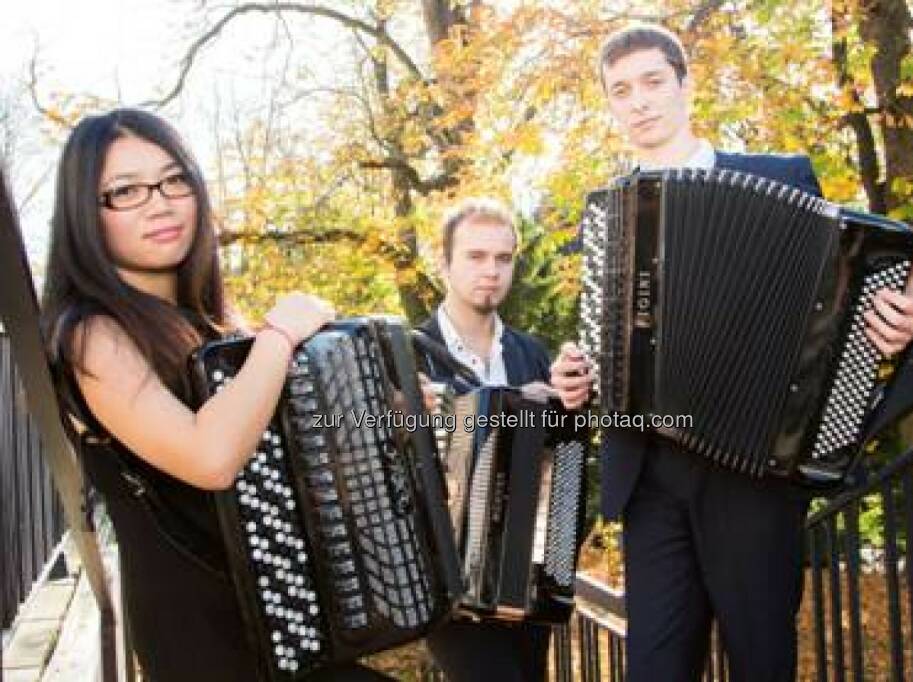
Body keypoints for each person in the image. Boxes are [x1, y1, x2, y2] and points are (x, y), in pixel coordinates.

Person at [549, 25, 913, 681]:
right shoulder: (608, 214)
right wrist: (576, 376)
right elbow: (606, 349)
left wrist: (906, 326)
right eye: (620, 91)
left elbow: (839, 305)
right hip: (650, 477)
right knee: (654, 669)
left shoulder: (780, 177)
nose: (637, 101)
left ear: (685, 85)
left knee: (762, 662)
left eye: (651, 82)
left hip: (754, 472)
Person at [41, 108, 393, 682]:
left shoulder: (208, 328)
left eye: (174, 179)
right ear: (87, 213)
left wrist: (385, 416)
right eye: (125, 191)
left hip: (283, 625)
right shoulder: (90, 333)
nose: (160, 202)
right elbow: (210, 457)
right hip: (205, 645)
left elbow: (286, 463)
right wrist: (280, 333)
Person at [417, 198, 552, 681]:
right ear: (444, 264)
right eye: (475, 256)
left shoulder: (533, 353)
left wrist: (567, 407)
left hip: (525, 576)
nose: (491, 271)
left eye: (503, 258)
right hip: (448, 585)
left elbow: (557, 466)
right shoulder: (407, 357)